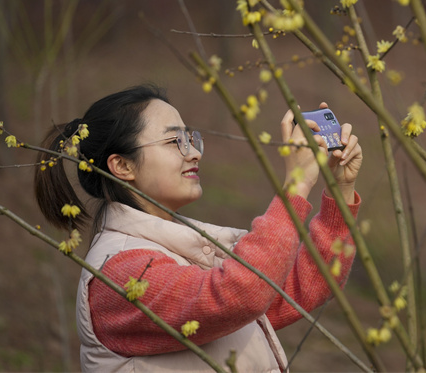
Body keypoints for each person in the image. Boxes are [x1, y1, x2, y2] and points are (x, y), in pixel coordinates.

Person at [34, 85, 363, 372]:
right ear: (122, 166)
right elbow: (240, 295)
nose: (193, 153)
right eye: (174, 141)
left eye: (190, 139)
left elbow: (303, 285)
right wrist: (296, 185)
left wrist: (340, 190)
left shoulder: (185, 252)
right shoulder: (120, 275)